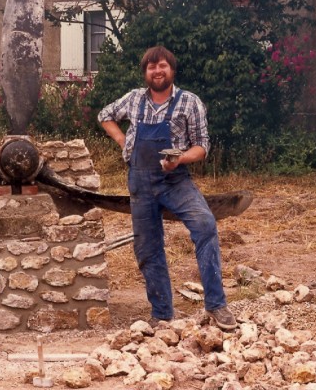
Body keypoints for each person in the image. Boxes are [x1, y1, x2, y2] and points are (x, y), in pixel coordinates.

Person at [98, 46, 237, 331]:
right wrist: (124, 142)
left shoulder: (189, 102)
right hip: (140, 182)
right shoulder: (134, 99)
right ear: (145, 72)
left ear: (171, 70)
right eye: (151, 67)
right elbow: (104, 115)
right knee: (148, 248)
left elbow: (202, 146)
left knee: (205, 224)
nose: (157, 71)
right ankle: (162, 314)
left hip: (176, 181)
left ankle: (216, 305)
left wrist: (180, 159)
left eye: (162, 66)